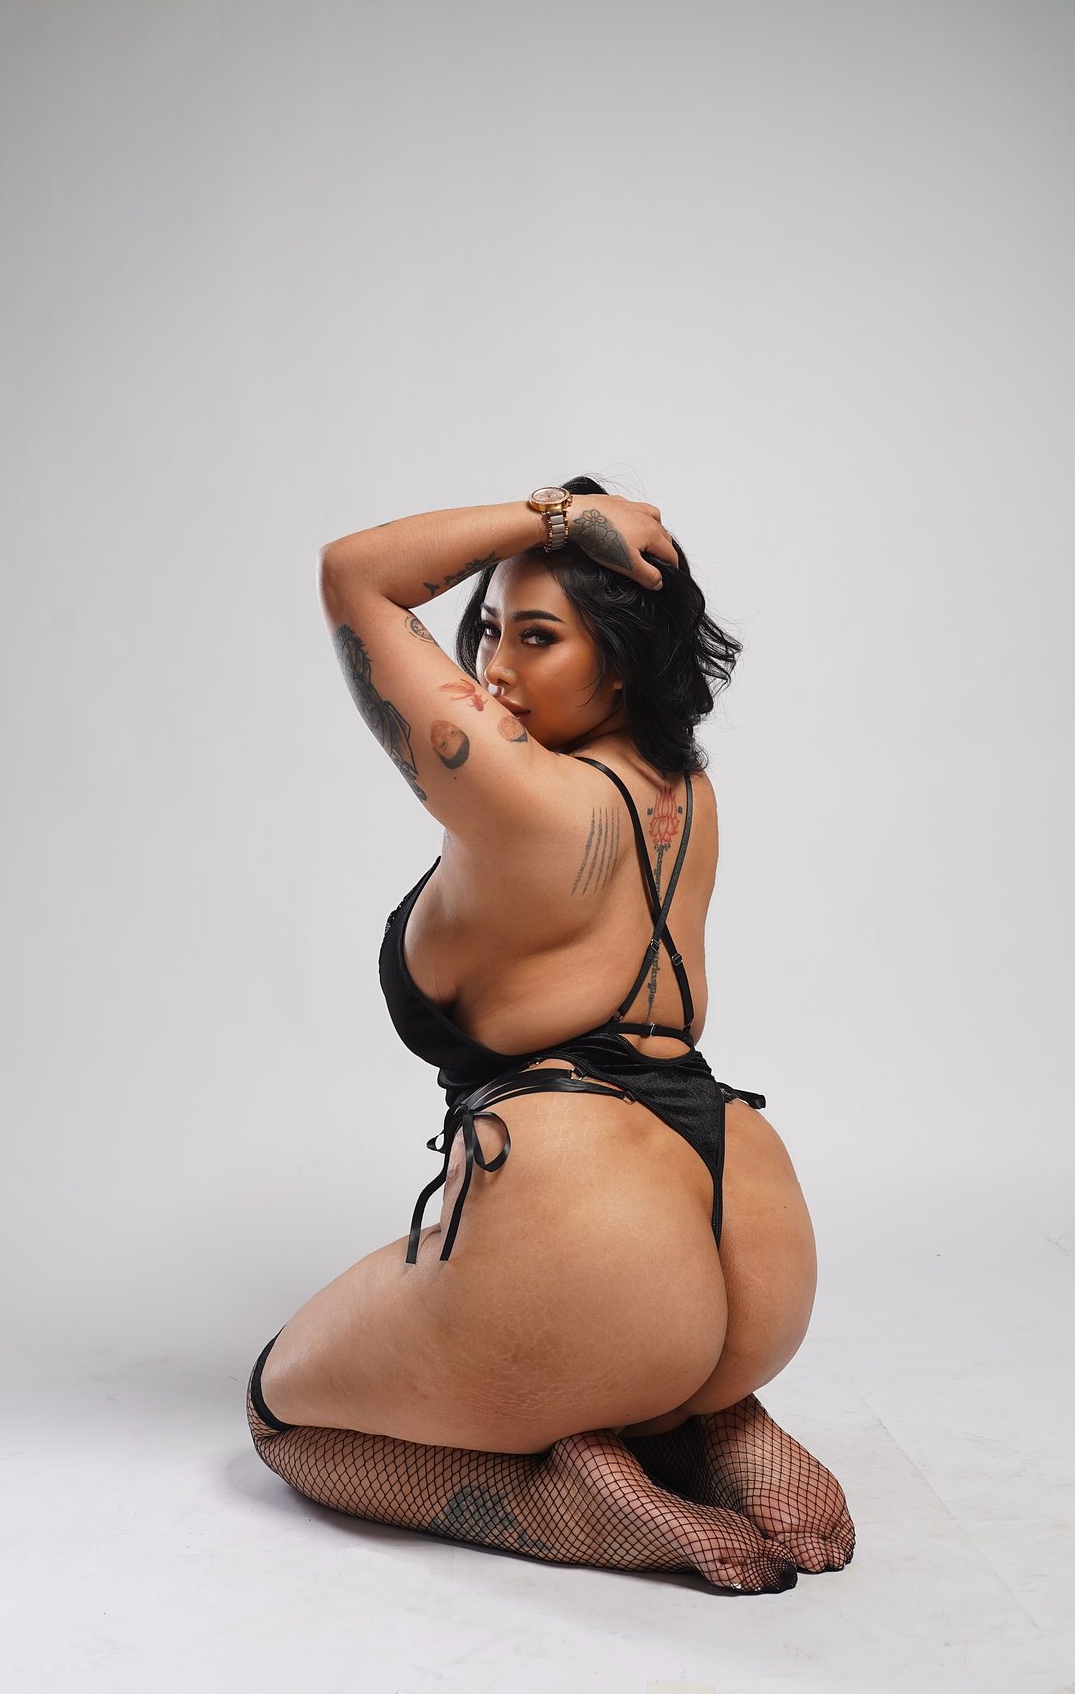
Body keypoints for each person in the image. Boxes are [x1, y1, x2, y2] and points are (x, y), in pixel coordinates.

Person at [245, 477, 855, 1594]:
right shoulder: (686, 790)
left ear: (618, 660)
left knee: (280, 1414)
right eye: (487, 629)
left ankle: (557, 1501)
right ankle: (715, 1418)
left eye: (538, 637)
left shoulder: (518, 794)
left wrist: (557, 516)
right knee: (628, 1360)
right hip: (750, 1219)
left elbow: (354, 573)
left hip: (596, 1241)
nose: (493, 670)